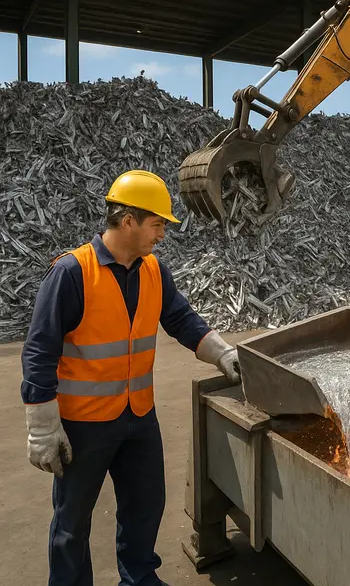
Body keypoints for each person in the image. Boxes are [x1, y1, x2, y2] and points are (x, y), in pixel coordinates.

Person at [21, 170, 242, 586]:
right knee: (72, 522)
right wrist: (42, 428)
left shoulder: (153, 271)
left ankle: (139, 579)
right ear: (128, 221)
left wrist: (224, 354)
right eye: (156, 224)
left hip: (138, 418)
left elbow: (182, 319)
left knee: (145, 506)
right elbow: (39, 351)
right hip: (84, 424)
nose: (162, 234)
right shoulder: (72, 272)